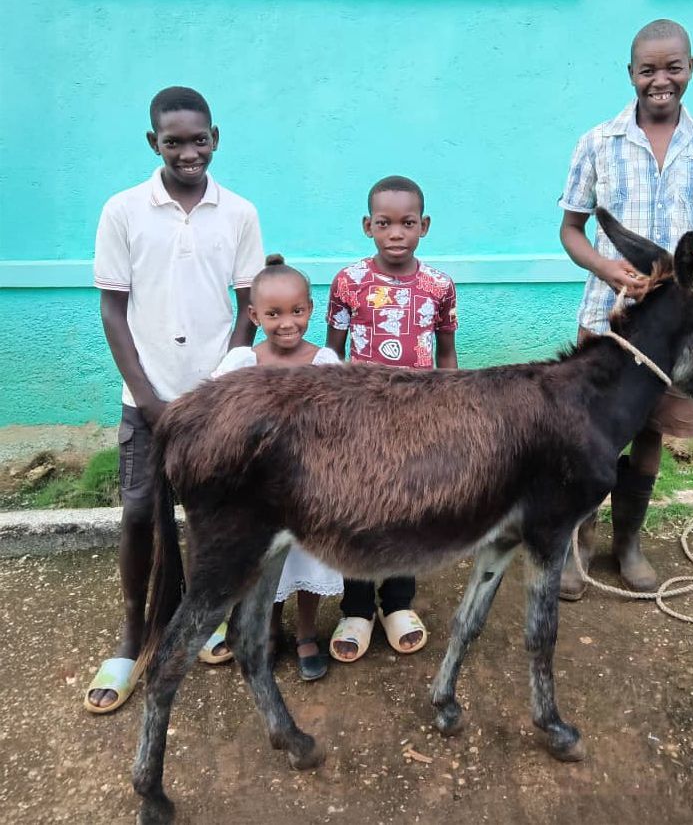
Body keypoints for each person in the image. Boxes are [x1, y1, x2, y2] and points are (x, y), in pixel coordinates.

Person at [85, 86, 265, 713]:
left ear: (216, 137)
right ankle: (134, 636)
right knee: (139, 512)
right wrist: (146, 395)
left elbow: (249, 305)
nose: (189, 153)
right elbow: (113, 309)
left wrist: (216, 387)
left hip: (213, 397)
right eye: (174, 141)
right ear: (152, 143)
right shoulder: (124, 210)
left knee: (210, 515)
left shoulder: (238, 212)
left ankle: (205, 617)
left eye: (199, 140)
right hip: (148, 399)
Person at [557, 19, 693, 601]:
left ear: (691, 68)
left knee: (650, 430)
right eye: (647, 69)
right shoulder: (598, 141)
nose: (660, 80)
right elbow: (571, 229)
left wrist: (692, 277)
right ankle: (578, 543)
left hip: (679, 332)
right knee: (592, 432)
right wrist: (608, 268)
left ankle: (628, 542)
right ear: (631, 74)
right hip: (610, 318)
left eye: (673, 67)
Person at [325, 175, 458, 662]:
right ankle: (357, 608)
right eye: (384, 223)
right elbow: (331, 355)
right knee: (357, 508)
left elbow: (447, 355)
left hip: (419, 421)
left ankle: (398, 603)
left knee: (410, 507)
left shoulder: (439, 287)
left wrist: (450, 410)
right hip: (360, 419)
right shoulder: (348, 283)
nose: (396, 233)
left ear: (424, 225)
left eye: (407, 223)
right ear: (368, 226)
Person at [211, 255, 343, 681]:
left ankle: (307, 633)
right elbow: (218, 418)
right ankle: (268, 628)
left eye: (297, 312)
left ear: (311, 308)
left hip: (311, 491)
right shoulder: (241, 364)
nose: (287, 323)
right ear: (254, 315)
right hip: (258, 496)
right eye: (273, 314)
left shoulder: (324, 363)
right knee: (267, 566)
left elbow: (343, 426)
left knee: (309, 564)